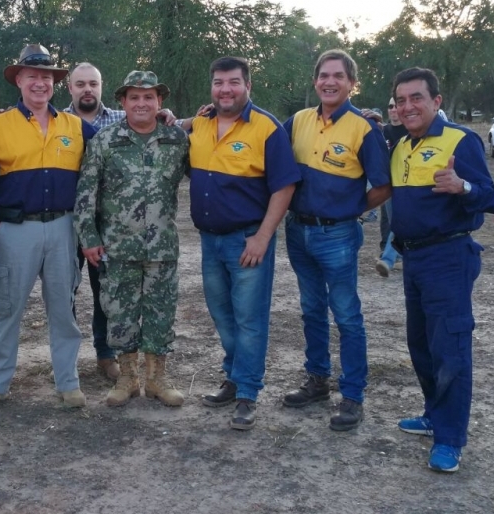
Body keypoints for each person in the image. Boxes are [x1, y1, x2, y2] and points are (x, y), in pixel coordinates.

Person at [390, 67, 494, 472]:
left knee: (450, 347)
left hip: (448, 258)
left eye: (416, 97)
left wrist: (463, 186)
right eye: (401, 100)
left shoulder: (460, 140)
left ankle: (450, 439)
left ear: (436, 101)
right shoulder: (401, 146)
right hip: (413, 259)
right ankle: (434, 415)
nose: (408, 106)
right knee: (420, 344)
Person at [0, 44, 97, 412]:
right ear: (19, 80)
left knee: (63, 309)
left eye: (46, 77)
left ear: (55, 83)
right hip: (15, 229)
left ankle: (68, 383)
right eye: (32, 76)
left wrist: (173, 120)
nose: (40, 83)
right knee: (8, 309)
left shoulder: (75, 126)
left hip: (62, 228)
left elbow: (116, 145)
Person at [281, 49, 391, 431]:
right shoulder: (297, 121)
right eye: (324, 75)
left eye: (338, 76)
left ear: (351, 83)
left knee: (346, 315)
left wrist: (351, 209)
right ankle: (317, 380)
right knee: (311, 309)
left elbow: (384, 186)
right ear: (315, 81)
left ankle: (353, 395)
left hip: (338, 235)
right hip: (297, 231)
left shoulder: (365, 128)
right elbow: (262, 139)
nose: (330, 82)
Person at [190, 56, 300, 430]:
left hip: (247, 241)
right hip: (209, 242)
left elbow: (285, 186)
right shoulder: (201, 123)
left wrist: (263, 237)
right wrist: (173, 117)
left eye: (233, 82)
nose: (226, 90)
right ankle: (234, 377)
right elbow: (179, 127)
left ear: (247, 86)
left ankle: (247, 394)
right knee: (222, 316)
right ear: (212, 87)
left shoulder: (267, 128)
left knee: (250, 320)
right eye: (219, 83)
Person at [74, 70, 190, 407]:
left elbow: (208, 170)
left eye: (149, 97)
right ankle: (127, 378)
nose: (142, 103)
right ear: (123, 102)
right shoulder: (105, 141)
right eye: (134, 97)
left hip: (161, 248)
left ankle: (157, 379)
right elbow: (86, 194)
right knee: (120, 314)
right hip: (117, 247)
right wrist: (89, 237)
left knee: (160, 314)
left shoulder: (176, 139)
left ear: (159, 102)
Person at [64, 62, 124, 380]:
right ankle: (67, 357)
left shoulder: (121, 120)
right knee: (65, 291)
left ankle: (106, 354)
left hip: (108, 221)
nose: (87, 89)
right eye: (80, 84)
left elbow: (154, 122)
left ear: (101, 86)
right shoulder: (55, 120)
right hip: (65, 220)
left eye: (93, 84)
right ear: (69, 88)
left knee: (106, 290)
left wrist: (170, 116)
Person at [376, 96, 410, 277]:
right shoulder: (383, 131)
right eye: (390, 106)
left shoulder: (410, 130)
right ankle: (396, 254)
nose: (393, 109)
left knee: (398, 220)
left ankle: (388, 259)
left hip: (408, 184)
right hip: (388, 184)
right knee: (391, 221)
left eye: (396, 105)